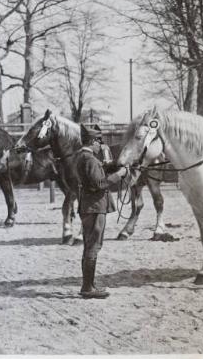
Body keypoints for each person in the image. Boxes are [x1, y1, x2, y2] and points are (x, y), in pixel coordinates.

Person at [76, 124, 128, 299]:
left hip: (89, 207)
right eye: (98, 141)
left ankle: (88, 285)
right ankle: (87, 287)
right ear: (92, 141)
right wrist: (119, 175)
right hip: (95, 207)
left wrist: (113, 167)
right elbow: (99, 184)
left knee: (89, 245)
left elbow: (97, 175)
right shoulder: (89, 159)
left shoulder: (83, 157)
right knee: (93, 245)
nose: (100, 145)